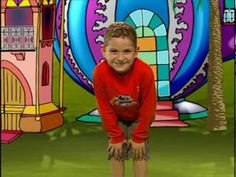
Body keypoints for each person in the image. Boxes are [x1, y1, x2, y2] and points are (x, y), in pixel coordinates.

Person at [93, 22, 156, 177]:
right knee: (115, 149)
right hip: (116, 116)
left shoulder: (145, 72)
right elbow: (104, 108)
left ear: (136, 52)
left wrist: (139, 136)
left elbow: (148, 108)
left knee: (139, 151)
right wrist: (115, 135)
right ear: (103, 51)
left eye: (127, 51)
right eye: (114, 51)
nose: (120, 58)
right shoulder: (99, 73)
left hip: (138, 117)